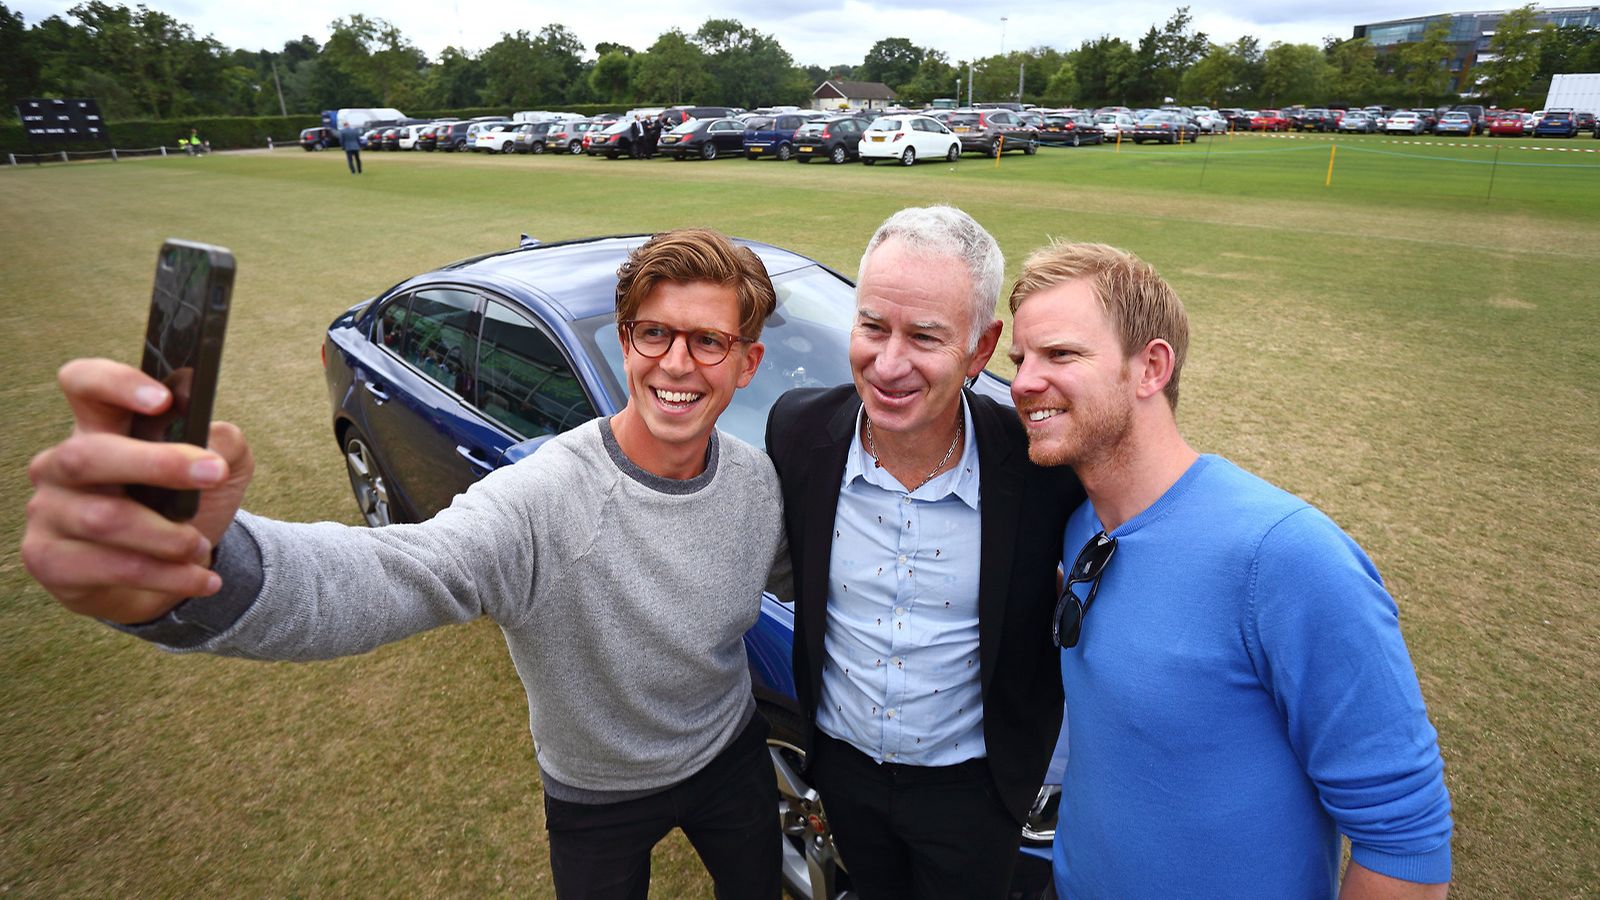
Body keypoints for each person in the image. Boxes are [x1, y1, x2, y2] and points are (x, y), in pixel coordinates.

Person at [20, 228, 789, 899]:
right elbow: (400, 571)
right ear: (627, 344)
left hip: (729, 756)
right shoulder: (546, 498)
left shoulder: (756, 483)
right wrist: (208, 572)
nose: (676, 363)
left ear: (747, 363)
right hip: (598, 792)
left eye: (708, 341)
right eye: (653, 335)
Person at [1005, 241, 1454, 899]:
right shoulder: (1079, 529)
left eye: (1061, 354)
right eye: (1019, 359)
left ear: (1151, 367)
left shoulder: (1285, 558)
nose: (1021, 382)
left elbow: (1404, 844)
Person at [765, 206, 1082, 899]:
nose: (888, 363)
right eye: (872, 326)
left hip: (977, 791)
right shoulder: (796, 433)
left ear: (981, 347)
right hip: (843, 772)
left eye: (925, 337)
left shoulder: (1041, 470)